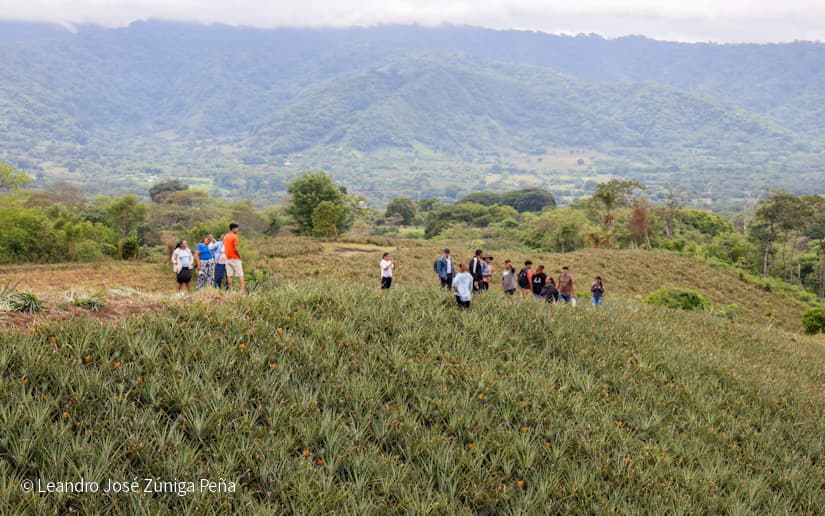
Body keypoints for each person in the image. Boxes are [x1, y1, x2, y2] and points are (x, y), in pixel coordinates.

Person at [223, 223, 244, 292]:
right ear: (233, 229)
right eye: (237, 228)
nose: (238, 230)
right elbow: (235, 248)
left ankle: (231, 291)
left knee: (229, 275)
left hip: (227, 258)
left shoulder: (225, 237)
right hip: (234, 258)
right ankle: (242, 291)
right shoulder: (235, 236)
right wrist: (240, 256)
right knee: (240, 274)